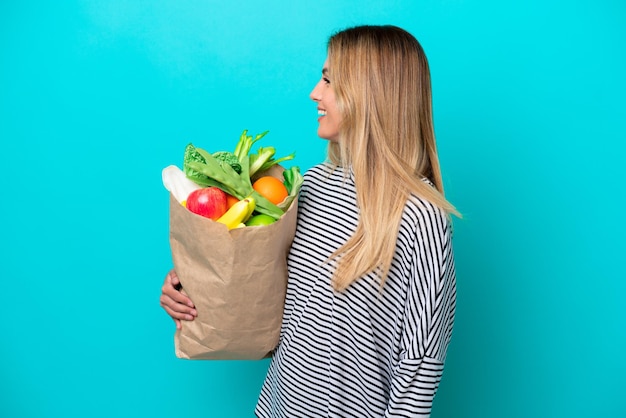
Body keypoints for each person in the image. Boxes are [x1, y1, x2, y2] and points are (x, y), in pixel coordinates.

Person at [160, 24, 459, 417]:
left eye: (328, 80)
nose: (314, 93)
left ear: (369, 93)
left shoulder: (421, 215)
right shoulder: (312, 186)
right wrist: (192, 288)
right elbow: (266, 296)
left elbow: (420, 364)